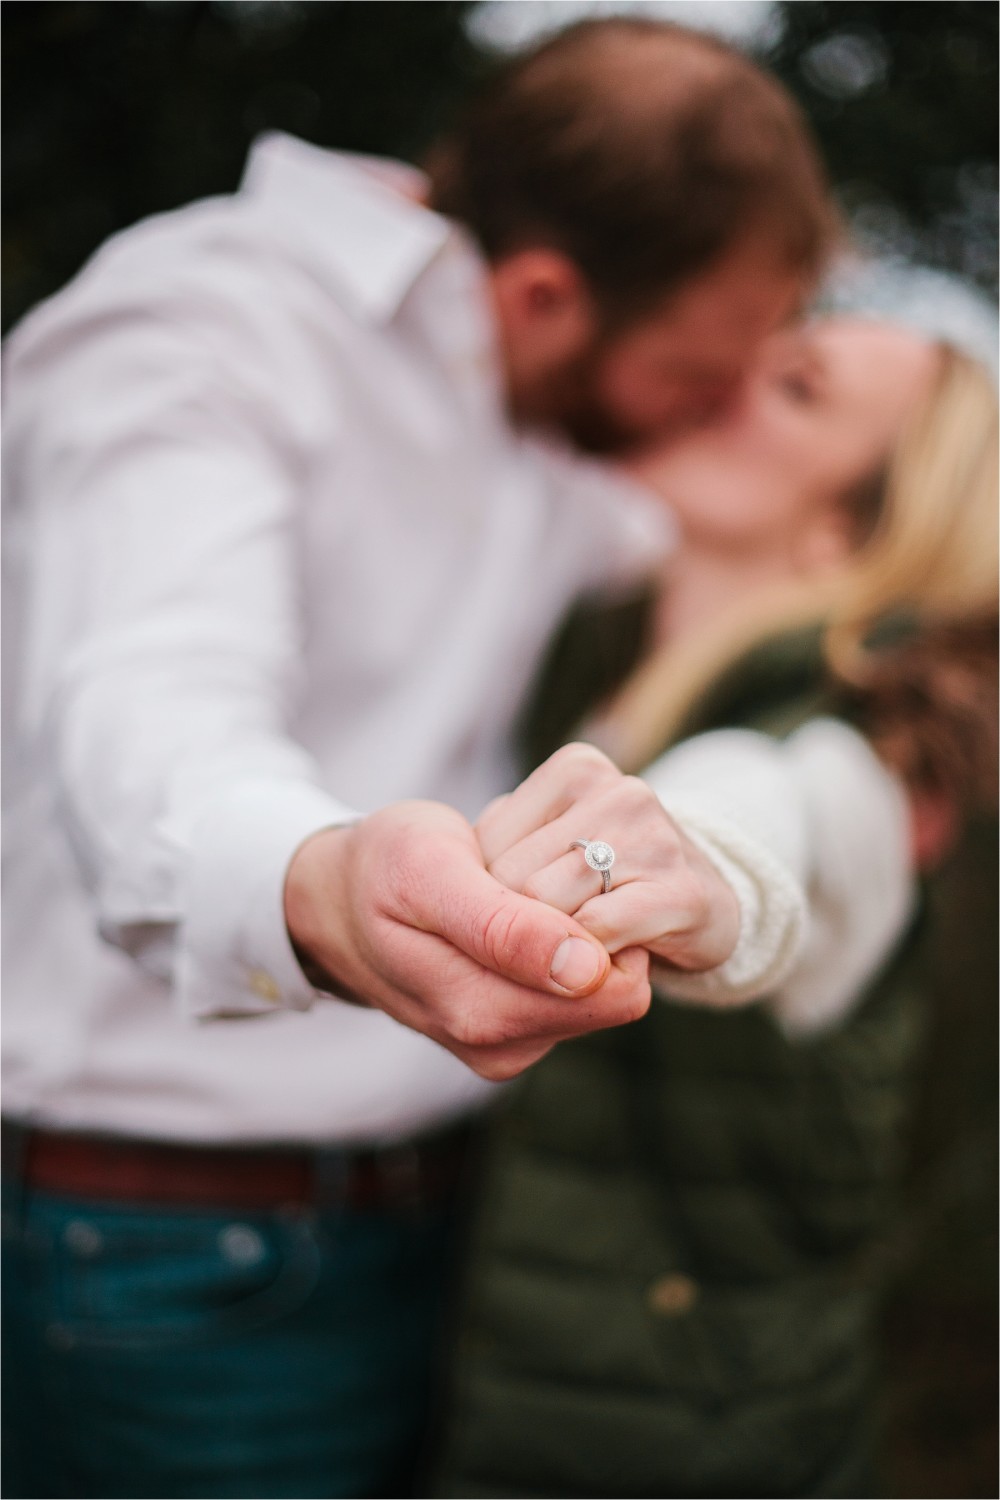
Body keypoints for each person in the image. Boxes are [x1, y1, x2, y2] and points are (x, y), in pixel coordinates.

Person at [2, 16, 898, 1498]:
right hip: (170, 1255)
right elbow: (149, 710)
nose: (715, 410)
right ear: (546, 294)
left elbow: (822, 619)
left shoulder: (561, 429)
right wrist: (323, 883)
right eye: (696, 373)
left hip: (450, 1245)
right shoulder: (206, 328)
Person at [434, 319, 999, 1499]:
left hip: (695, 1453)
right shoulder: (586, 667)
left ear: (847, 525)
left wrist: (693, 873)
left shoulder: (862, 760)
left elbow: (766, 829)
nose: (721, 370)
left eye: (795, 389)